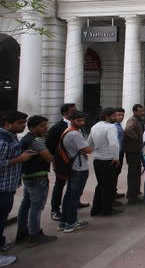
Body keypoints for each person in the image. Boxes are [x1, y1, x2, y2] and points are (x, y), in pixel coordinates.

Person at [16, 115, 57, 246]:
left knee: (26, 204)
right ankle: (34, 235)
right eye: (42, 126)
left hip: (28, 176)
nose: (45, 128)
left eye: (45, 125)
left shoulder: (27, 139)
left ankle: (22, 232)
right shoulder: (36, 141)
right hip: (38, 177)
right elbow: (48, 157)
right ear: (32, 127)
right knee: (36, 207)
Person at [0, 111, 34, 266]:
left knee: (2, 218)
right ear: (7, 124)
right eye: (20, 123)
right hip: (2, 187)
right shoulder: (2, 140)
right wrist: (20, 159)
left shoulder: (10, 137)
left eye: (24, 122)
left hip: (8, 185)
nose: (24, 125)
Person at [45, 103, 88, 221]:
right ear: (64, 113)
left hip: (76, 163)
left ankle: (74, 203)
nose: (75, 112)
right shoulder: (57, 128)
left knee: (74, 186)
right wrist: (54, 161)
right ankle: (55, 209)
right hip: (63, 163)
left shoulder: (78, 125)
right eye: (72, 111)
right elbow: (50, 145)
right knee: (60, 184)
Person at [59, 111, 93, 233]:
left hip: (74, 167)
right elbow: (87, 149)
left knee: (69, 195)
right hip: (78, 168)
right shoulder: (74, 134)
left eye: (83, 120)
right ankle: (71, 222)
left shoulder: (68, 131)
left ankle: (64, 221)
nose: (82, 123)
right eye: (79, 120)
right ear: (72, 120)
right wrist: (90, 147)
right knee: (74, 196)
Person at [88, 108, 123, 216]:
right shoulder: (110, 127)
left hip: (97, 160)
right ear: (107, 117)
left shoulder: (95, 126)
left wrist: (97, 150)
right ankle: (107, 210)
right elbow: (114, 144)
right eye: (113, 116)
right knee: (109, 186)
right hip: (108, 160)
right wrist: (116, 157)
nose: (115, 118)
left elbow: (89, 142)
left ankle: (96, 209)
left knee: (100, 185)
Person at [123, 104, 145, 204]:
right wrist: (137, 138)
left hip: (135, 150)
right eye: (140, 111)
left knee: (136, 172)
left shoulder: (138, 120)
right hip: (132, 150)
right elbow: (128, 130)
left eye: (142, 111)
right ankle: (132, 196)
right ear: (135, 111)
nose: (142, 113)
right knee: (133, 173)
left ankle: (134, 192)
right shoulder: (132, 120)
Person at [113, 108, 125, 199]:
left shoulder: (118, 125)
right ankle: (112, 194)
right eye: (118, 115)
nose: (121, 117)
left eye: (122, 115)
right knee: (113, 175)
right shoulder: (113, 127)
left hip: (119, 154)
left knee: (116, 173)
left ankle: (114, 191)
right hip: (115, 155)